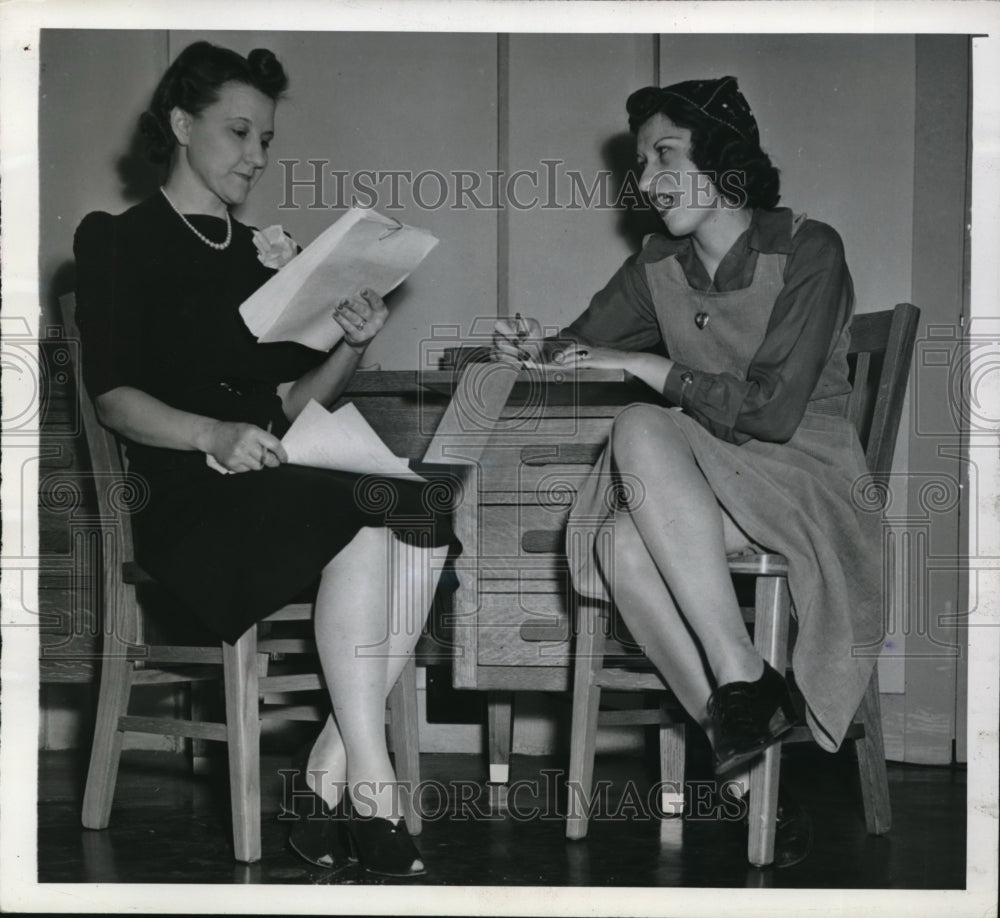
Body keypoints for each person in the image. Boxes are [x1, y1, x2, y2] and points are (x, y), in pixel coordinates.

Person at [73, 41, 452, 877]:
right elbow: (112, 396)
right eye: (239, 133)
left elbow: (286, 404)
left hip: (269, 479)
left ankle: (328, 779)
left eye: (266, 140)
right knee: (364, 511)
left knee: (422, 509)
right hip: (185, 496)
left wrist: (352, 344)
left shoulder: (256, 254)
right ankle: (372, 791)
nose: (256, 155)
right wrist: (211, 435)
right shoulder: (116, 241)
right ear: (181, 124)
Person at [494, 76, 884, 867]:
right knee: (617, 548)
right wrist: (521, 347)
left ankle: (742, 676)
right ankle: (743, 732)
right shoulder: (658, 266)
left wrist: (644, 364)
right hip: (717, 477)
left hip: (806, 476)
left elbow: (773, 414)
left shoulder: (810, 246)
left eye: (665, 155)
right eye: (640, 164)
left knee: (640, 419)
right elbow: (573, 344)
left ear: (723, 159)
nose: (645, 181)